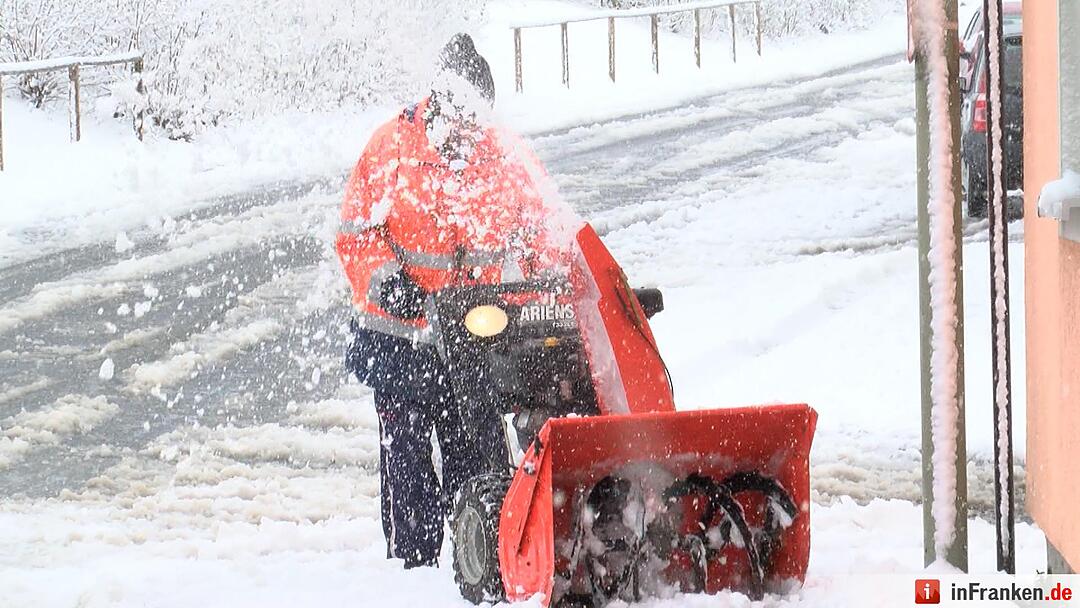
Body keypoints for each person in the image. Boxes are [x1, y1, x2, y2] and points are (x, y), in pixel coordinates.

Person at [335, 33, 559, 568]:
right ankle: (410, 572)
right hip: (398, 339)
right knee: (408, 466)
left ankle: (477, 565)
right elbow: (355, 235)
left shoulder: (500, 156)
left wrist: (546, 292)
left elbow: (538, 234)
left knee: (477, 460)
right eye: (462, 116)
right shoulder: (390, 148)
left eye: (479, 118)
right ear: (440, 102)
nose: (470, 130)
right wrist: (388, 281)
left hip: (472, 341)